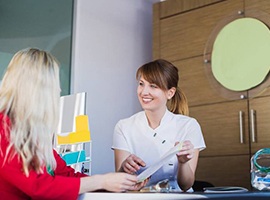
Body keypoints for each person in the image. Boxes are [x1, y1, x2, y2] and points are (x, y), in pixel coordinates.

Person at [0, 48, 146, 200]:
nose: (59, 89)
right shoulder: (3, 127)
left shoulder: (32, 134)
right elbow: (38, 186)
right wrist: (101, 181)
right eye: (54, 84)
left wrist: (117, 183)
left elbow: (66, 175)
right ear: (37, 88)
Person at [112, 59, 206, 192]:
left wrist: (183, 162)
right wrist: (124, 168)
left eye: (153, 86)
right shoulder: (123, 126)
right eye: (141, 84)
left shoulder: (189, 126)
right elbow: (120, 182)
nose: (144, 92)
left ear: (170, 93)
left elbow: (186, 185)